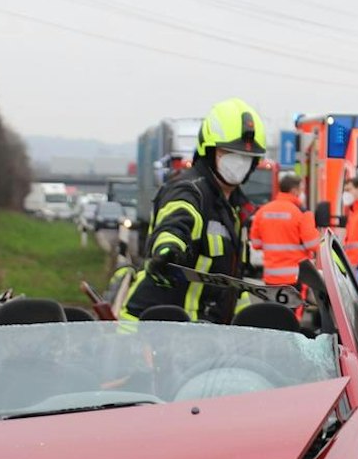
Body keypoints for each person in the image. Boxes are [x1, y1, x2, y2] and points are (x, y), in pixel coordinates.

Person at [121, 98, 266, 324]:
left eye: (246, 157)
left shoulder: (235, 210)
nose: (239, 162)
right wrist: (168, 249)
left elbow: (231, 285)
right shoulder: (189, 190)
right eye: (229, 153)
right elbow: (176, 221)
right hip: (153, 331)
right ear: (208, 151)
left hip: (201, 338)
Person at [249, 173, 320, 289]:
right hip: (296, 277)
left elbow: (256, 244)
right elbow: (312, 244)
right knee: (294, 307)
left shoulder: (263, 211)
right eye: (301, 190)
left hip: (270, 277)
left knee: (274, 307)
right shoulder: (302, 213)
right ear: (294, 191)